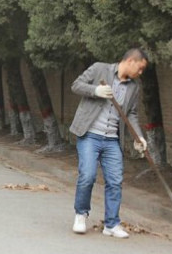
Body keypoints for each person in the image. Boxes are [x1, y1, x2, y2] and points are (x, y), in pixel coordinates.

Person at [70, 48, 149, 239]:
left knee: (115, 181)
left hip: (112, 139)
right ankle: (81, 214)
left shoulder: (134, 87)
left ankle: (111, 224)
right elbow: (76, 85)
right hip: (89, 135)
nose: (140, 73)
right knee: (87, 175)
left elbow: (131, 114)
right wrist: (95, 90)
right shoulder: (99, 69)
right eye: (140, 68)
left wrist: (139, 137)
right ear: (130, 61)